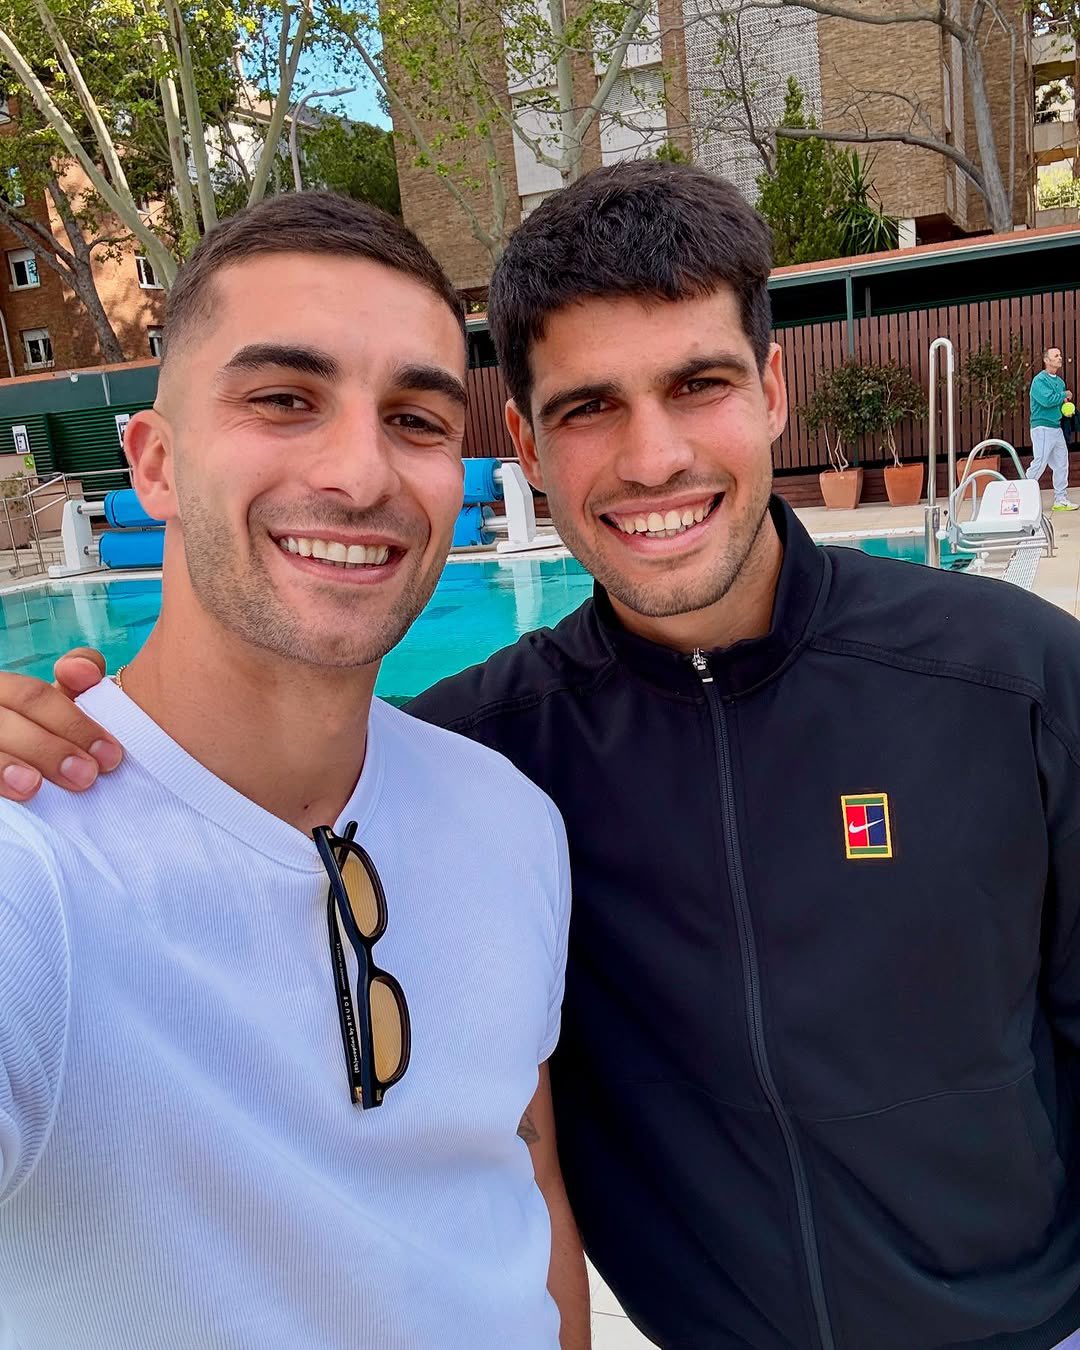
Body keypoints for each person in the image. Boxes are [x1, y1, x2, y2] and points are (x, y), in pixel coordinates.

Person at [3, 161, 1080, 1350]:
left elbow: (524, 1186)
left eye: (699, 385)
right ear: (522, 440)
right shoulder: (489, 756)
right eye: (589, 407)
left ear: (772, 391)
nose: (654, 458)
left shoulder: (1013, 679)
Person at [0, 192, 588, 1350]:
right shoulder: (31, 875)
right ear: (156, 464)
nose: (361, 474)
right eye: (283, 399)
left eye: (416, 419)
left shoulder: (511, 820)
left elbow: (527, 1184)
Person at [1027, 345, 1077, 511]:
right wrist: (1065, 395)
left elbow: (1058, 403)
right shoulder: (1039, 381)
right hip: (1042, 428)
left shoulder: (1060, 382)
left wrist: (1066, 407)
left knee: (1062, 463)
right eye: (1056, 356)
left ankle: (1060, 499)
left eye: (1060, 355)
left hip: (1056, 427)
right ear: (1046, 360)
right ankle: (1021, 494)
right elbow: (1047, 400)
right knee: (1039, 463)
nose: (1059, 358)